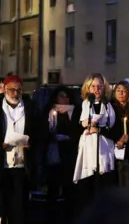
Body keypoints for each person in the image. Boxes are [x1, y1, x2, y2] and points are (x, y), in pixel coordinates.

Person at [0, 75, 39, 224]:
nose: (15, 93)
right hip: (0, 166)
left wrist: (31, 142)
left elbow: (40, 131)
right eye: (12, 90)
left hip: (20, 167)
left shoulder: (29, 107)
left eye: (18, 90)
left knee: (19, 210)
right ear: (5, 90)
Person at [74, 73, 119, 212]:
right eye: (93, 86)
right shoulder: (86, 103)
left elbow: (111, 124)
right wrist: (91, 124)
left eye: (100, 86)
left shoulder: (108, 105)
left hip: (104, 146)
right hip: (89, 147)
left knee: (104, 184)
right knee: (88, 185)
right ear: (88, 88)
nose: (97, 89)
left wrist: (97, 128)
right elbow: (82, 122)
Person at [41, 85, 82, 223]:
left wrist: (69, 138)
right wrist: (51, 134)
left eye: (66, 96)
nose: (64, 99)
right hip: (54, 157)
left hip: (69, 157)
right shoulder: (49, 111)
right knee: (52, 192)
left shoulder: (75, 112)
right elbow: (42, 132)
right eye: (61, 96)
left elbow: (78, 130)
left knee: (70, 192)